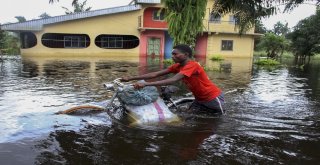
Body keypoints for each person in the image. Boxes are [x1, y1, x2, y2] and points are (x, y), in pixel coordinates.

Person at [121, 44, 224, 114]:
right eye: (172, 54)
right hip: (199, 99)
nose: (172, 56)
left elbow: (173, 80)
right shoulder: (178, 66)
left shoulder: (192, 65)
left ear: (186, 55)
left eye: (175, 54)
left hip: (212, 97)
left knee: (219, 119)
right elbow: (155, 74)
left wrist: (146, 84)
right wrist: (130, 78)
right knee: (188, 115)